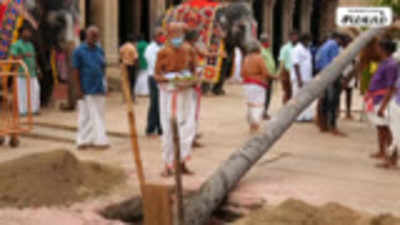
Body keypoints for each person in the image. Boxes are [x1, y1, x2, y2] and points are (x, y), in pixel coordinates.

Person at [155, 22, 198, 177]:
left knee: (188, 128)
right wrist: (170, 79)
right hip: (170, 94)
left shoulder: (189, 50)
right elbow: (157, 75)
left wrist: (191, 79)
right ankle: (168, 165)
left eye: (180, 34)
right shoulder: (163, 52)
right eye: (174, 34)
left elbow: (195, 70)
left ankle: (182, 162)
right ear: (168, 35)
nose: (177, 37)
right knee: (169, 129)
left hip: (186, 93)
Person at [72, 26, 109, 150]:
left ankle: (95, 139)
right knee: (85, 116)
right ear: (87, 36)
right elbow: (76, 71)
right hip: (86, 87)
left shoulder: (100, 50)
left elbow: (103, 67)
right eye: (92, 35)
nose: (94, 38)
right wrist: (78, 89)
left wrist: (105, 84)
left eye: (96, 35)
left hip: (99, 86)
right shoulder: (79, 51)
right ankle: (85, 140)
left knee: (99, 114)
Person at [365, 40, 398, 161]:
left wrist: (383, 106)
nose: (376, 50)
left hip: (383, 100)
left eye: (379, 48)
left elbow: (391, 87)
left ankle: (391, 157)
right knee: (380, 127)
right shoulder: (383, 63)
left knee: (387, 129)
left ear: (383, 49)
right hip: (376, 99)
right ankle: (382, 151)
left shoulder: (391, 65)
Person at [315, 32, 346, 136]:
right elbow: (335, 62)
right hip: (331, 76)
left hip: (323, 75)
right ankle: (333, 127)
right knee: (332, 102)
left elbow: (317, 62)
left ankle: (323, 125)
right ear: (338, 39)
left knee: (324, 101)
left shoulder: (323, 46)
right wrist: (340, 76)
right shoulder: (333, 45)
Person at [241, 41, 272, 133]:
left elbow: (242, 73)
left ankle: (251, 123)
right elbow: (265, 72)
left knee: (250, 104)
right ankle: (255, 123)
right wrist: (271, 77)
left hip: (247, 84)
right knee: (258, 104)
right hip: (258, 83)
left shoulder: (246, 58)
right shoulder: (259, 58)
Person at [10, 25, 41, 115]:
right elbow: (14, 57)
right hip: (21, 73)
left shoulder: (30, 44)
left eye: (29, 32)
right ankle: (22, 111)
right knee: (22, 92)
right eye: (26, 32)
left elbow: (34, 57)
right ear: (21, 33)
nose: (28, 34)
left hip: (32, 72)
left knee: (35, 90)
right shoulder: (16, 44)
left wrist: (38, 69)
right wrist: (24, 55)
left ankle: (34, 110)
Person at [145, 28, 165, 137]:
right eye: (160, 35)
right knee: (154, 103)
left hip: (163, 78)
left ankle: (161, 127)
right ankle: (150, 128)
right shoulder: (150, 48)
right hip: (153, 77)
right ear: (155, 37)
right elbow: (154, 63)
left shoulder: (164, 47)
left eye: (163, 34)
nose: (162, 37)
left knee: (162, 103)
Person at [291, 34, 314, 122]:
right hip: (299, 79)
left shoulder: (307, 50)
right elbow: (296, 65)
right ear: (304, 40)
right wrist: (299, 79)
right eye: (309, 40)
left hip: (307, 78)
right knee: (298, 98)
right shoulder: (297, 49)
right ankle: (297, 117)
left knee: (306, 98)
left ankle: (307, 116)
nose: (310, 43)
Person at [278, 31, 298, 104]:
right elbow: (282, 61)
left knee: (295, 91)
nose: (294, 38)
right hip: (287, 71)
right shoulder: (285, 48)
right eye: (292, 36)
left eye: (296, 36)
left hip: (295, 71)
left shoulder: (298, 47)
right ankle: (286, 107)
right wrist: (280, 73)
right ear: (289, 38)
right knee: (287, 91)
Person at [260, 33, 276, 120]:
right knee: (265, 95)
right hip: (265, 77)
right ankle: (263, 112)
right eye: (267, 41)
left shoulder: (268, 50)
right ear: (263, 42)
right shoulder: (261, 51)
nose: (269, 42)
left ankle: (265, 111)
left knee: (268, 95)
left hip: (270, 76)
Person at [120, 34, 139, 101]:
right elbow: (136, 58)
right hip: (131, 66)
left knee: (125, 81)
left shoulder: (122, 47)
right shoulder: (132, 47)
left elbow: (120, 57)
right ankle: (131, 97)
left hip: (124, 66)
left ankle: (125, 97)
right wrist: (136, 65)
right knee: (132, 82)